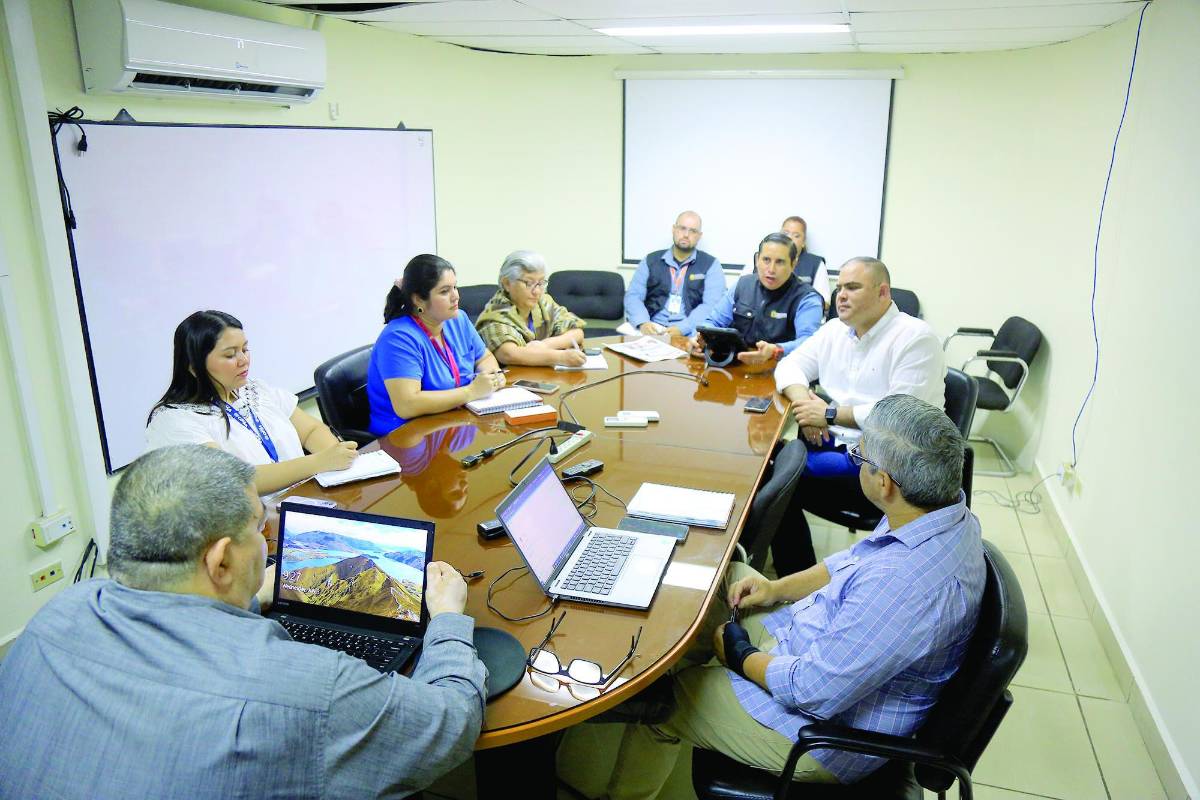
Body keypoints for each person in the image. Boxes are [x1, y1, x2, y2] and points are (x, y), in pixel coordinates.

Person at [0, 444, 486, 798]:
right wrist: (446, 617)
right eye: (259, 527)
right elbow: (451, 722)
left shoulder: (54, 618)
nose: (267, 539)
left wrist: (250, 592)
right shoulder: (310, 687)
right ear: (221, 561)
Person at [573, 395, 984, 798]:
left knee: (673, 695)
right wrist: (774, 589)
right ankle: (671, 655)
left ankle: (629, 773)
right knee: (721, 577)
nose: (856, 459)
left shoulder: (904, 586)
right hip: (814, 643)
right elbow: (851, 561)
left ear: (884, 483)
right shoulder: (936, 511)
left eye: (860, 456)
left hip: (823, 733)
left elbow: (812, 688)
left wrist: (738, 654)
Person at [773, 256, 946, 573]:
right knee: (768, 462)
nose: (841, 295)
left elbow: (896, 414)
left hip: (886, 464)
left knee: (776, 480)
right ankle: (795, 577)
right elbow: (789, 366)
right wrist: (808, 410)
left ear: (883, 293)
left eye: (853, 287)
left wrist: (827, 413)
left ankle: (796, 584)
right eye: (839, 287)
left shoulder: (915, 338)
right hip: (836, 440)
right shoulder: (835, 331)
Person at [145, 310, 358, 496]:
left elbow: (310, 430)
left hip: (301, 502)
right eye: (230, 355)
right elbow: (235, 480)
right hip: (247, 530)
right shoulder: (172, 421)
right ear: (193, 366)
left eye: (245, 350)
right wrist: (319, 462)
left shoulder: (257, 390)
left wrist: (339, 463)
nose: (243, 360)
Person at [367, 254, 506, 436]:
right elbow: (407, 405)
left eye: (455, 287)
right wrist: (472, 391)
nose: (455, 296)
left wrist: (491, 376)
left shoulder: (458, 319)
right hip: (407, 435)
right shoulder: (398, 338)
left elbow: (484, 357)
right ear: (418, 300)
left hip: (453, 420)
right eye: (444, 291)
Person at [689, 233, 823, 365]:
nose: (771, 269)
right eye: (766, 260)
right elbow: (713, 322)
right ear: (758, 259)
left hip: (781, 368)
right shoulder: (742, 285)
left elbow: (809, 343)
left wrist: (776, 350)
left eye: (780, 262)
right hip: (737, 366)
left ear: (794, 264)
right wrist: (699, 339)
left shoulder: (807, 298)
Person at [474, 250, 587, 368]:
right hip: (510, 381)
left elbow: (577, 332)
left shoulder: (543, 302)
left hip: (542, 378)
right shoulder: (496, 313)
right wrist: (560, 357)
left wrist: (545, 345)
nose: (537, 291)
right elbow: (509, 353)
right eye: (528, 283)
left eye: (541, 283)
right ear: (507, 283)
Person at [624, 210, 726, 338]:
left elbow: (711, 305)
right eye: (682, 228)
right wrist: (643, 322)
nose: (686, 234)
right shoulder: (650, 260)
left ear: (699, 236)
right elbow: (633, 296)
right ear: (674, 229)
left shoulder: (711, 264)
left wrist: (682, 328)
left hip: (689, 333)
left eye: (693, 231)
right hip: (651, 330)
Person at [740, 216, 830, 309]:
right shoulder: (759, 257)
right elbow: (741, 289)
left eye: (796, 235)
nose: (790, 238)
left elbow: (825, 302)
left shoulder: (815, 263)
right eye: (785, 233)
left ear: (803, 242)